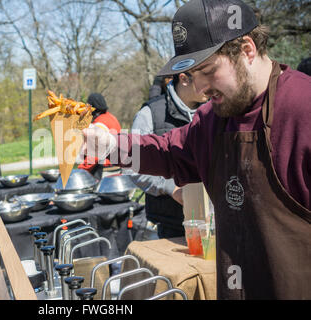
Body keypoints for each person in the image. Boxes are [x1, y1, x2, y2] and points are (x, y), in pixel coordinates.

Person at [82, 0, 311, 299]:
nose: (201, 88)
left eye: (208, 70)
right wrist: (113, 146)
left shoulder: (302, 107)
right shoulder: (210, 121)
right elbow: (166, 152)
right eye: (192, 75)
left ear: (247, 50)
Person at [130, 73, 208, 239]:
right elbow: (133, 167)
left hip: (213, 224)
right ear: (184, 79)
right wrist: (171, 189)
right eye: (204, 75)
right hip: (169, 227)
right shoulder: (149, 113)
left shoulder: (215, 109)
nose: (211, 82)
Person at [78, 93, 121, 180]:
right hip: (118, 167)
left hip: (103, 169)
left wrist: (81, 170)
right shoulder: (112, 118)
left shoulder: (98, 124)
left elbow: (93, 155)